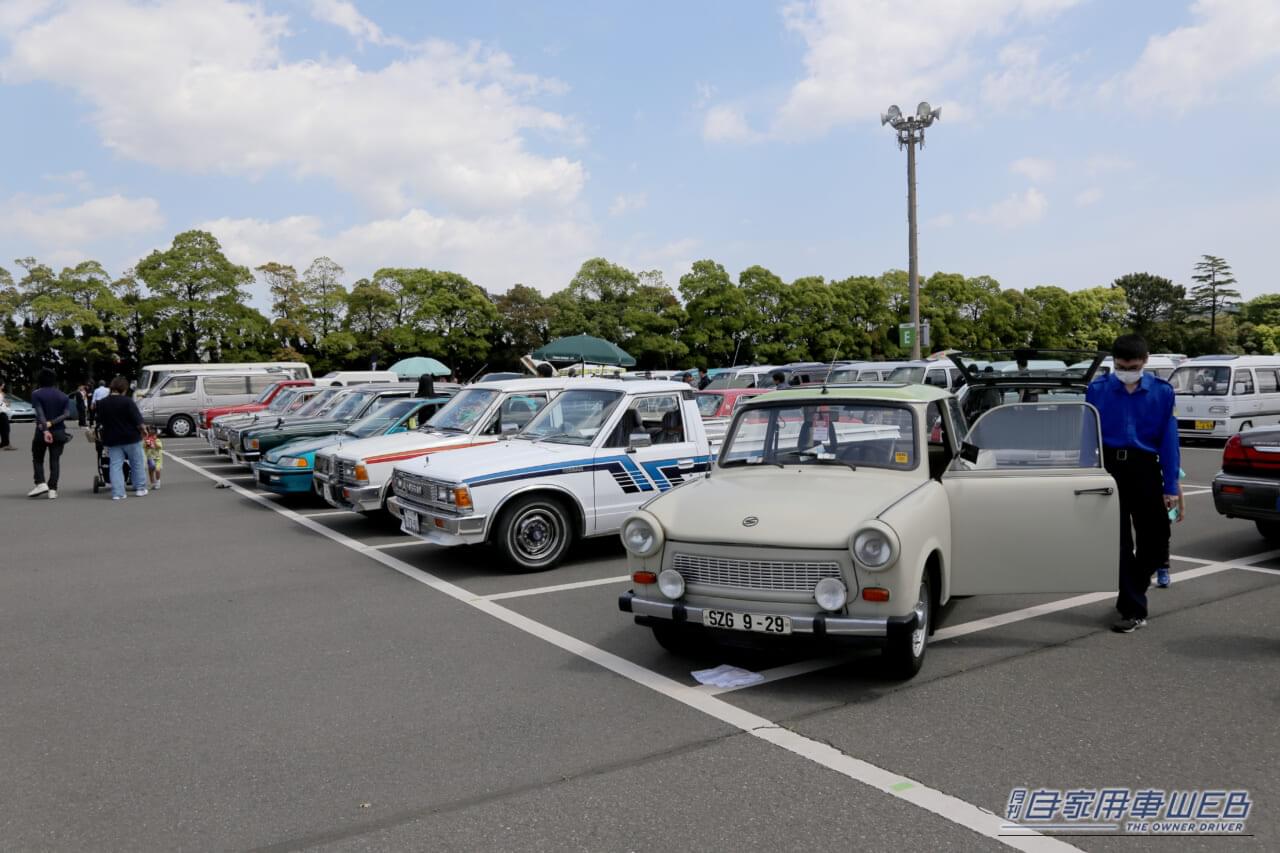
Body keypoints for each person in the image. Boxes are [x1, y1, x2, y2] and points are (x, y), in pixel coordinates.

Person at [1086, 334, 1181, 634]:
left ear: (1145, 361)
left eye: (1133, 366)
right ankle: (1133, 609)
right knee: (1119, 543)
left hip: (1145, 468)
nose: (1126, 371)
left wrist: (1171, 485)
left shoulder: (1162, 392)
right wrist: (1084, 473)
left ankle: (1131, 591)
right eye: (1121, 366)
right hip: (1109, 469)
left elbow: (1169, 441)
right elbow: (1086, 435)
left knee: (1157, 540)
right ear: (1113, 362)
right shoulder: (1097, 390)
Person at [96, 375, 148, 500]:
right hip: (131, 437)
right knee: (137, 462)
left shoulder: (102, 403)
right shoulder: (128, 401)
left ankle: (118, 493)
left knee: (115, 465)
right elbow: (137, 420)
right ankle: (140, 488)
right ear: (124, 388)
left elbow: (100, 421)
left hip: (112, 439)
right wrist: (144, 430)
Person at [29, 368, 74, 499]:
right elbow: (66, 414)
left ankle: (40, 483)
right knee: (55, 460)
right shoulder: (63, 396)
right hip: (59, 431)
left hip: (41, 432)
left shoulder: (36, 394)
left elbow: (40, 413)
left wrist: (46, 429)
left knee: (38, 458)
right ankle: (53, 489)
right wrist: (52, 423)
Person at [142, 425, 164, 490]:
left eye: (153, 431)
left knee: (157, 470)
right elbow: (144, 448)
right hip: (150, 458)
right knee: (151, 471)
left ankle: (158, 482)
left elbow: (160, 447)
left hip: (158, 458)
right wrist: (147, 444)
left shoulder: (157, 440)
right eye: (149, 431)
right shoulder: (146, 440)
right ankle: (152, 483)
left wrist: (154, 442)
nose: (151, 432)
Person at [0, 381, 11, 450]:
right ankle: (6, 444)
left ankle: (3, 444)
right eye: (2, 385)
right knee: (6, 429)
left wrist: (5, 403)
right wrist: (6, 405)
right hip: (2, 414)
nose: (3, 387)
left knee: (3, 429)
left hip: (3, 413)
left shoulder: (1, 394)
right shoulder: (0, 394)